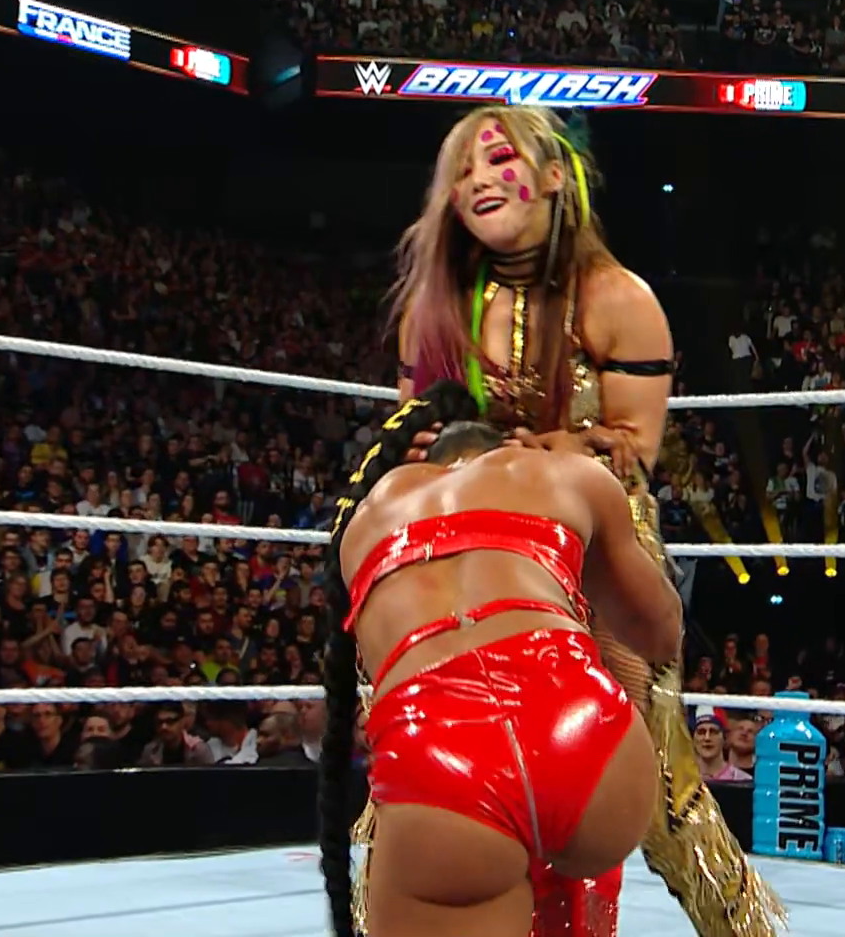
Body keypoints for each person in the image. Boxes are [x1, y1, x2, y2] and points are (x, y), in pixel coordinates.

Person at [382, 107, 772, 937]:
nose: (479, 180)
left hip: (595, 546)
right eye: (463, 170)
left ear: (556, 177)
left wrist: (556, 451)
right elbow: (414, 437)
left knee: (657, 786)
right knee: (420, 770)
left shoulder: (618, 298)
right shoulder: (437, 309)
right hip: (472, 550)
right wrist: (423, 448)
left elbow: (635, 451)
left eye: (498, 160)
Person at [319, 382, 771, 937]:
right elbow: (660, 633)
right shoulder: (560, 474)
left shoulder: (363, 524)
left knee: (466, 861)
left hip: (446, 768)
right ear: (504, 449)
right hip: (584, 735)